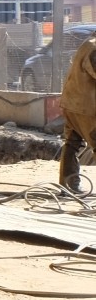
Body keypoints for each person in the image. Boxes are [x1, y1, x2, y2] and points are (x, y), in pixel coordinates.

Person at [58, 32, 96, 191]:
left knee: (73, 143)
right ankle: (69, 185)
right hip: (86, 108)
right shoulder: (94, 48)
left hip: (72, 104)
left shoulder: (88, 44)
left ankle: (68, 186)